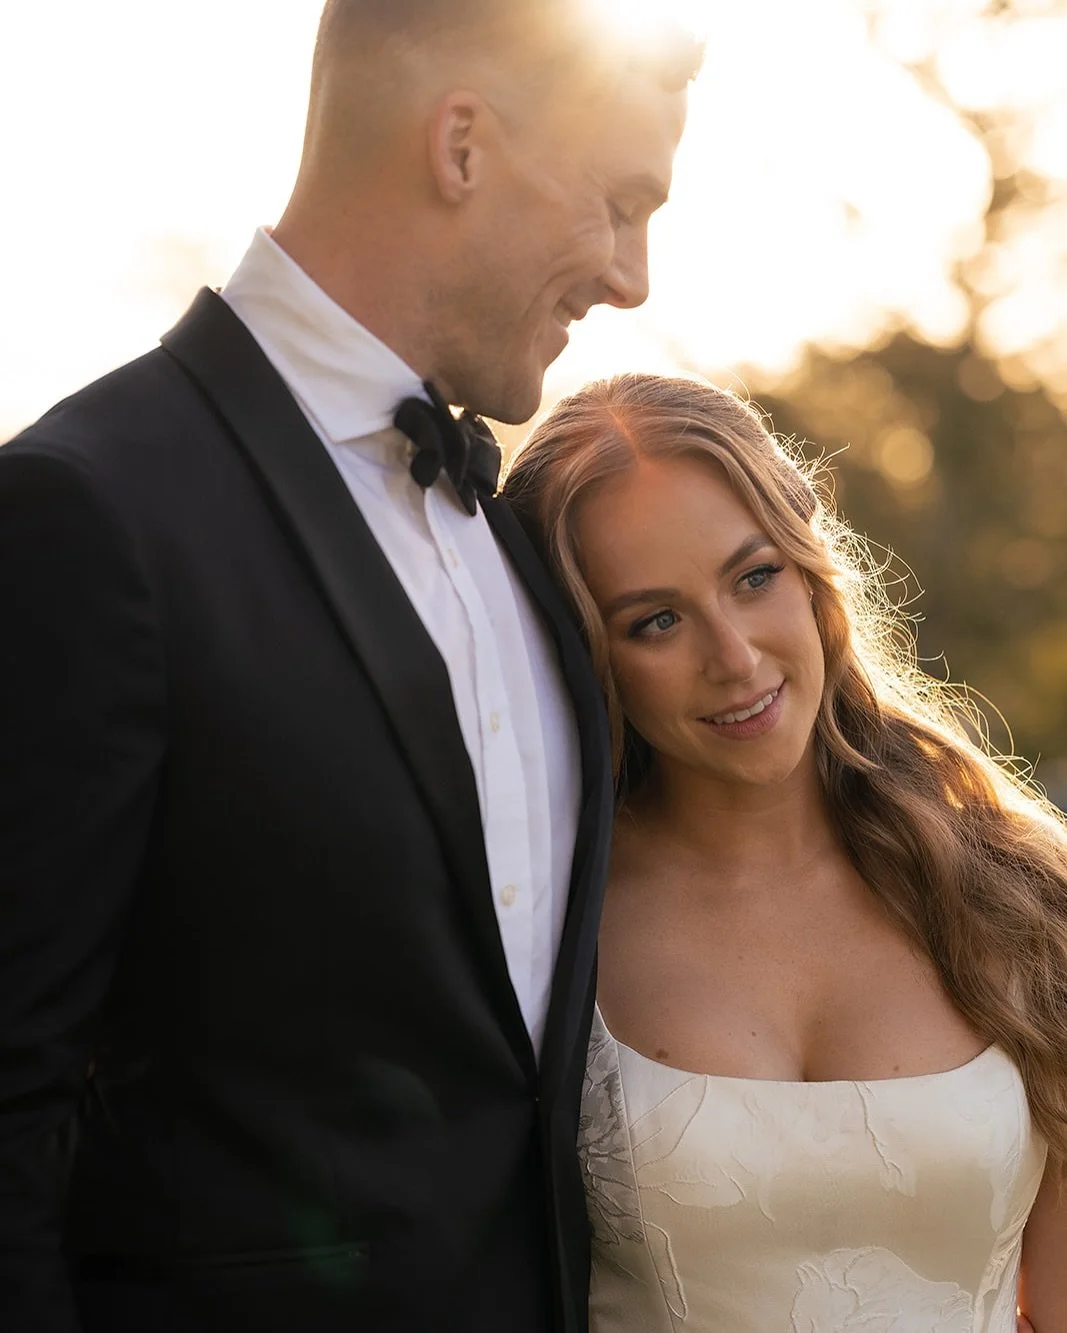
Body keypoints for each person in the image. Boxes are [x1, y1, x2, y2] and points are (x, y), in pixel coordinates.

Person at [0, 5, 700, 1331]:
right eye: (618, 204)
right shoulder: (84, 514)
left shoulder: (529, 545)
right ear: (459, 146)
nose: (630, 278)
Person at [504, 372, 1067, 1332]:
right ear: (585, 651)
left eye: (753, 574)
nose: (734, 656)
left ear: (810, 568)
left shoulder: (1013, 890)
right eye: (656, 620)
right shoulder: (538, 923)